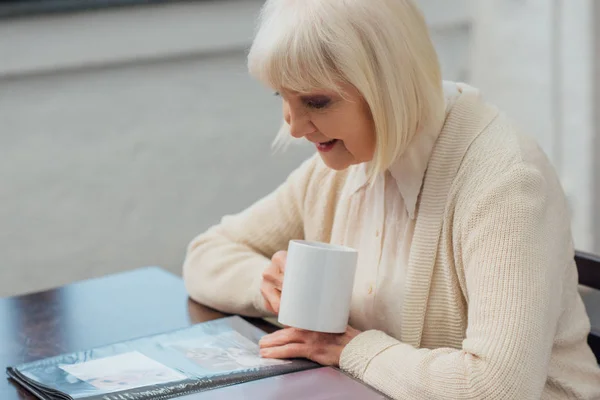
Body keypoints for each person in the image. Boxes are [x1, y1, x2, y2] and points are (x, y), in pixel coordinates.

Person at [182, 0, 600, 398]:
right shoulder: (345, 161)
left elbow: (495, 388)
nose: (293, 128)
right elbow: (206, 254)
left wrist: (352, 350)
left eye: (316, 101)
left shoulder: (504, 182)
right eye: (283, 98)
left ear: (387, 82)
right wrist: (269, 285)